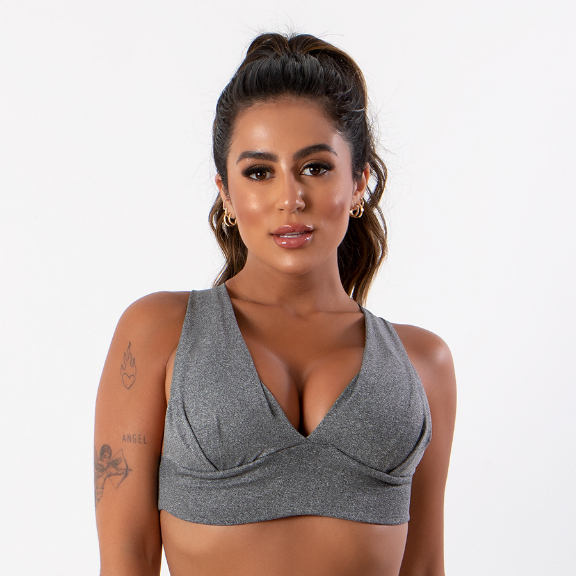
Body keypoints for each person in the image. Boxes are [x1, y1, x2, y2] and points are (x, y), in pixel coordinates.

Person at [94, 32, 457, 576]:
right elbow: (127, 559)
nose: (290, 198)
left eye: (316, 167)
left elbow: (425, 566)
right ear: (226, 192)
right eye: (259, 172)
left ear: (359, 182)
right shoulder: (157, 333)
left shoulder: (423, 364)